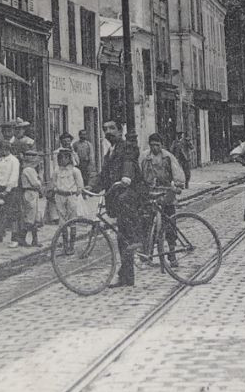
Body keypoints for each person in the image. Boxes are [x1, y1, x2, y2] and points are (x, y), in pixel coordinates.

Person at [91, 121, 144, 287]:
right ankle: (127, 277)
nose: (108, 131)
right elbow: (104, 175)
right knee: (122, 239)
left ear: (121, 130)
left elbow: (129, 161)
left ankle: (139, 237)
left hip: (134, 192)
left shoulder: (127, 146)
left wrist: (126, 177)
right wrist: (90, 187)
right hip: (119, 197)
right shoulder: (109, 153)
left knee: (127, 233)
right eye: (105, 129)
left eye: (112, 128)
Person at [141, 132, 188, 259]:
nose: (154, 148)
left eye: (157, 145)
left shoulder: (168, 157)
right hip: (150, 193)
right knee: (147, 222)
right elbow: (139, 174)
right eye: (152, 145)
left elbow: (177, 173)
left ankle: (172, 252)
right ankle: (147, 251)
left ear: (161, 145)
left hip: (166, 192)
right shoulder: (145, 157)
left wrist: (178, 186)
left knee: (170, 223)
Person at [0, 140, 21, 248]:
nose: (2, 151)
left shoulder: (14, 161)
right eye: (1, 149)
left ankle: (15, 238)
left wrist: (7, 191)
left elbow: (14, 176)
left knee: (12, 215)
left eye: (4, 149)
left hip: (10, 190)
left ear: (8, 149)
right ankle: (0, 233)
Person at [50, 147, 86, 225]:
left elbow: (80, 185)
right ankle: (64, 236)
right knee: (62, 218)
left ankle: (73, 236)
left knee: (72, 218)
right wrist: (56, 190)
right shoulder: (56, 171)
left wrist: (76, 194)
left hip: (71, 196)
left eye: (65, 158)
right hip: (60, 196)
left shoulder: (75, 171)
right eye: (60, 158)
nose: (62, 160)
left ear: (69, 158)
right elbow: (54, 183)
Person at [18, 150, 45, 247]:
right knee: (30, 217)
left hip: (33, 193)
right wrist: (41, 175)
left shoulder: (31, 169)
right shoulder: (28, 170)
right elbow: (36, 183)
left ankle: (35, 240)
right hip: (30, 193)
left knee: (35, 217)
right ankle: (21, 238)